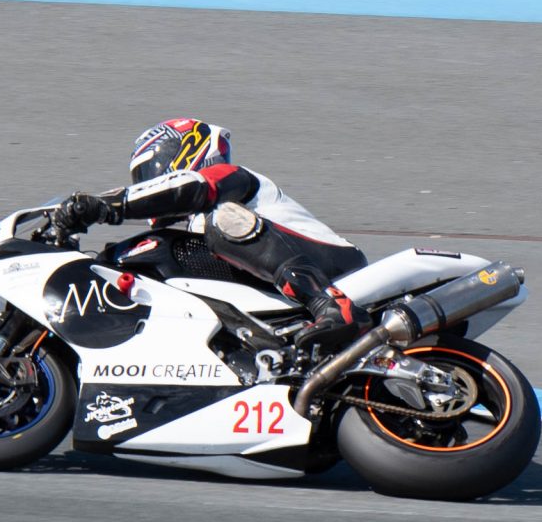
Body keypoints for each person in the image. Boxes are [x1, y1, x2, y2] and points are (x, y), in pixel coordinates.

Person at [52, 118, 370, 349]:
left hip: (333, 263)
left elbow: (188, 188)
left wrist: (107, 205)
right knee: (157, 257)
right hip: (278, 287)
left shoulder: (232, 179)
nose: (148, 183)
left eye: (151, 172)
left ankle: (332, 306)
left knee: (224, 222)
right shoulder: (197, 226)